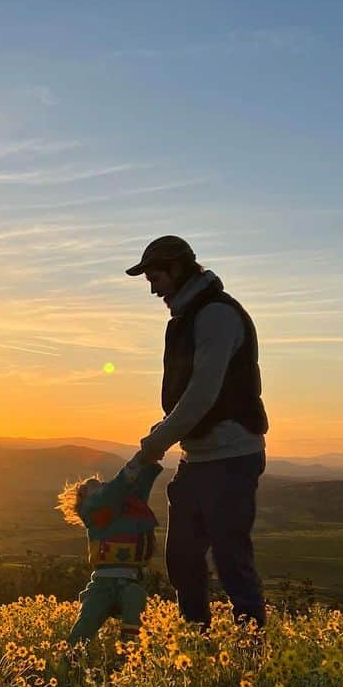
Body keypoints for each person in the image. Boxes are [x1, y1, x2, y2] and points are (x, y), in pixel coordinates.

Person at [128, 235, 268, 629]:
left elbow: (202, 393)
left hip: (231, 456)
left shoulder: (216, 315)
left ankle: (249, 653)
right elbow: (191, 397)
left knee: (231, 561)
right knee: (183, 560)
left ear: (176, 268)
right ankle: (195, 646)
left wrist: (158, 440)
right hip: (198, 457)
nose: (153, 287)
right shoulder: (189, 317)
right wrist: (164, 432)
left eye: (155, 276)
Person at [56, 455, 163, 645]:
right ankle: (66, 662)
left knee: (135, 598)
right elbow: (114, 492)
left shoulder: (124, 509)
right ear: (83, 499)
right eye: (92, 487)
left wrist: (149, 464)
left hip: (130, 580)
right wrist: (133, 466)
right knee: (84, 628)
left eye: (102, 484)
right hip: (102, 585)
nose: (101, 486)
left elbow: (138, 492)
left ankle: (129, 652)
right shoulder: (93, 513)